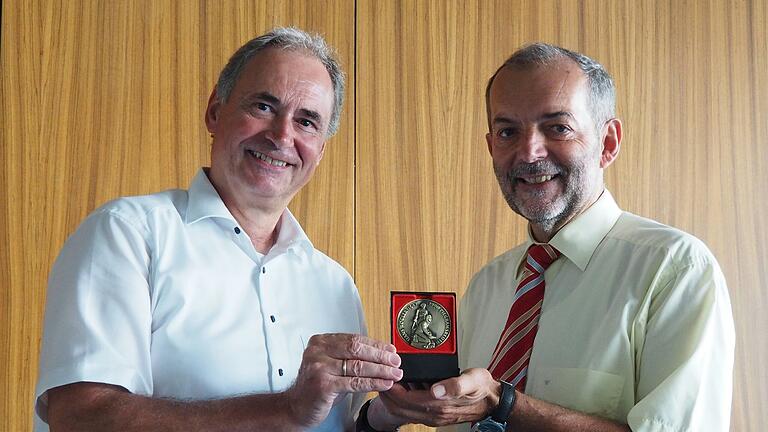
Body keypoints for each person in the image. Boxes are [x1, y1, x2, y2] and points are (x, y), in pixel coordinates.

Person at [34, 27, 403, 432]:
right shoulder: (128, 235)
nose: (282, 135)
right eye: (263, 106)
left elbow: (339, 425)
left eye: (307, 122)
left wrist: (387, 415)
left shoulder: (335, 283)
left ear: (320, 150)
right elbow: (80, 418)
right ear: (215, 110)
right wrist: (285, 409)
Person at [359, 43, 735, 431]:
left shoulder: (674, 271)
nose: (529, 151)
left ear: (608, 143)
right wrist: (394, 411)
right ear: (492, 147)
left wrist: (503, 404)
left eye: (558, 128)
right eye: (508, 132)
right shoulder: (488, 286)